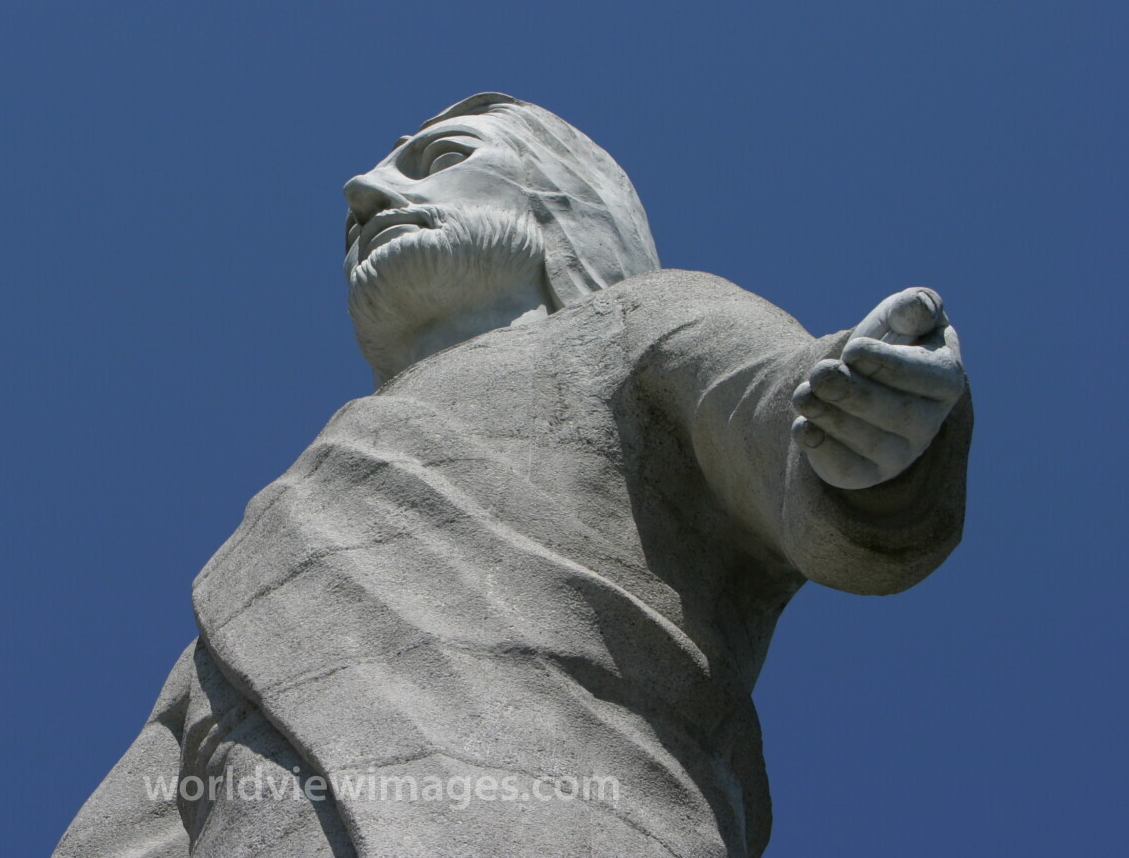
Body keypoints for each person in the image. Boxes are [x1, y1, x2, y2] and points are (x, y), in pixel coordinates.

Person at [54, 94, 971, 858]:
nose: (365, 192)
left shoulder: (642, 320)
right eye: (362, 195)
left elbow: (775, 403)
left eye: (440, 159)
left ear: (561, 201)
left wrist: (868, 421)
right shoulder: (289, 505)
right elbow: (154, 788)